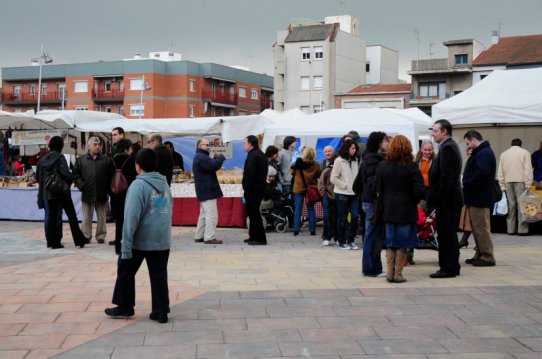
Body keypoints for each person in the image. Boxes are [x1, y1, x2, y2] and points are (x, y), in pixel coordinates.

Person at [105, 148, 172, 324]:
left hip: (140, 240)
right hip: (161, 239)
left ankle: (125, 306)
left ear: (138, 166)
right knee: (159, 275)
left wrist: (125, 246)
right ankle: (161, 311)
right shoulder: (164, 184)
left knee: (125, 270)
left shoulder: (138, 185)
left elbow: (131, 218)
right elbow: (163, 211)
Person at [375, 135, 424, 283]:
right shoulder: (412, 166)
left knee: (390, 242)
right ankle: (398, 274)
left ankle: (389, 273)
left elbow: (377, 187)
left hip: (388, 209)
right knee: (402, 243)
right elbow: (420, 190)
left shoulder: (383, 166)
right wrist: (414, 200)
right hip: (406, 210)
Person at [36, 136, 88, 249]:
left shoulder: (42, 159)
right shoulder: (60, 157)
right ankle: (79, 240)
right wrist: (72, 178)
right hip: (62, 192)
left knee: (52, 217)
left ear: (50, 145)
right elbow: (65, 173)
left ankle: (52, 242)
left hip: (48, 193)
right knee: (72, 216)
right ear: (61, 146)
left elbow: (38, 177)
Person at [427, 119, 463, 279]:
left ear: (444, 131)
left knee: (446, 234)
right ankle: (452, 266)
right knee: (448, 234)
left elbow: (447, 177)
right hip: (448, 198)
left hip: (447, 199)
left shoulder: (448, 148)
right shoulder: (448, 147)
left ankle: (448, 268)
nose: (433, 134)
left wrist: (440, 198)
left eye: (435, 131)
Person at [462, 130, 497, 266]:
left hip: (479, 197)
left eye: (468, 144)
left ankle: (487, 256)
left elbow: (481, 174)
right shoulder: (482, 152)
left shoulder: (484, 154)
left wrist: (465, 183)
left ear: (473, 140)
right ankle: (480, 253)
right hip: (476, 197)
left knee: (481, 228)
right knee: (477, 228)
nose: (468, 147)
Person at [355, 132, 388, 273]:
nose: (388, 144)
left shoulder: (367, 159)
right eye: (386, 141)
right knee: (372, 235)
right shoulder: (375, 161)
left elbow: (356, 185)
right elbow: (374, 184)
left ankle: (373, 268)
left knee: (373, 235)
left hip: (369, 201)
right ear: (380, 143)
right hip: (374, 202)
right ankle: (370, 269)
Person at [73, 137, 112, 244]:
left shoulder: (106, 160)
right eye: (95, 144)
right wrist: (81, 185)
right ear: (89, 146)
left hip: (102, 192)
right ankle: (86, 235)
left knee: (102, 217)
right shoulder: (81, 159)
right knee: (86, 217)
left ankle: (101, 235)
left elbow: (110, 176)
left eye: (99, 144)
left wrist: (108, 189)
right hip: (87, 192)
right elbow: (75, 174)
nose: (98, 146)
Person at [192, 137, 226, 245]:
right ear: (199, 146)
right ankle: (209, 237)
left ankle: (199, 236)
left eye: (208, 145)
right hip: (207, 190)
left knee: (203, 215)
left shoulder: (200, 156)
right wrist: (220, 157)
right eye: (206, 145)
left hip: (204, 189)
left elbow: (211, 165)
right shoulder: (201, 157)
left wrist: (215, 159)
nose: (208, 146)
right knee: (211, 215)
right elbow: (214, 166)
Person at [498, 138, 533, 236]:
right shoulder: (525, 153)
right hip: (521, 182)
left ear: (511, 145)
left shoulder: (504, 154)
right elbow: (528, 170)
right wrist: (528, 184)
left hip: (508, 182)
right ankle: (522, 230)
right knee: (522, 206)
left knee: (511, 206)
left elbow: (500, 171)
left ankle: (510, 230)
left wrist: (501, 184)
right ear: (520, 145)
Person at [407, 141, 435, 263]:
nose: (427, 152)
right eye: (425, 150)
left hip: (431, 193)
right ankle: (409, 255)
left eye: (430, 150)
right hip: (420, 195)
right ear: (421, 150)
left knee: (431, 222)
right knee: (416, 223)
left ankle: (431, 241)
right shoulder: (415, 162)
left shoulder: (436, 161)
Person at [108, 139, 137, 254]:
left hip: (115, 196)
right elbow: (135, 180)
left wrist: (111, 193)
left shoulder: (112, 161)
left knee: (119, 223)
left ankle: (118, 248)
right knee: (130, 222)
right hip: (129, 196)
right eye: (130, 148)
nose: (131, 151)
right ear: (126, 148)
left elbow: (107, 180)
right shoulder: (132, 161)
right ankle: (129, 246)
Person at [331, 139, 361, 250]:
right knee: (342, 218)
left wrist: (357, 188)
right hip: (342, 193)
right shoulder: (339, 161)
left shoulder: (355, 160)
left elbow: (357, 176)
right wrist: (344, 186)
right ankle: (341, 241)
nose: (354, 150)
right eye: (352, 148)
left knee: (355, 216)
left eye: (355, 148)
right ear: (347, 148)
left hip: (354, 194)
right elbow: (333, 178)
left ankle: (351, 240)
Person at [242, 135, 268, 245]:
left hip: (253, 190)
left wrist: (246, 189)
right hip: (257, 188)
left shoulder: (254, 155)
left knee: (254, 214)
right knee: (252, 214)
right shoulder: (257, 154)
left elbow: (250, 174)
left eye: (245, 143)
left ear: (250, 144)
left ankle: (260, 238)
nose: (244, 145)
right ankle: (253, 236)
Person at [291, 146, 321, 236]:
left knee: (298, 209)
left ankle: (296, 230)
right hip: (311, 188)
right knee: (310, 208)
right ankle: (312, 230)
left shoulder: (297, 162)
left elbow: (292, 172)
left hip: (298, 187)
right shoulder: (316, 164)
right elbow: (319, 174)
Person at [318, 150, 337, 246]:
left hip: (339, 196)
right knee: (327, 216)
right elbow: (321, 183)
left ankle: (337, 237)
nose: (327, 153)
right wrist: (324, 194)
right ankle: (326, 237)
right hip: (327, 196)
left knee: (338, 217)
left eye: (329, 151)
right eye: (325, 151)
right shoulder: (327, 169)